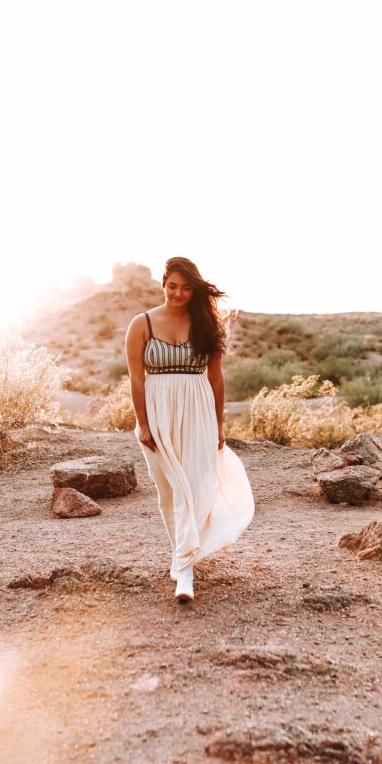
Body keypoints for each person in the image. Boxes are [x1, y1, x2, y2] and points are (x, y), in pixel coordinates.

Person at [124, 257, 255, 602]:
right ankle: (182, 555)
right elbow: (136, 379)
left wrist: (218, 424)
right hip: (158, 412)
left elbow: (215, 378)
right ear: (163, 285)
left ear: (194, 289)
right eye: (172, 286)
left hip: (198, 411)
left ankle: (184, 569)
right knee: (170, 490)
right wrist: (142, 423)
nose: (178, 293)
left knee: (194, 486)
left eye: (185, 287)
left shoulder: (206, 325)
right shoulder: (141, 324)